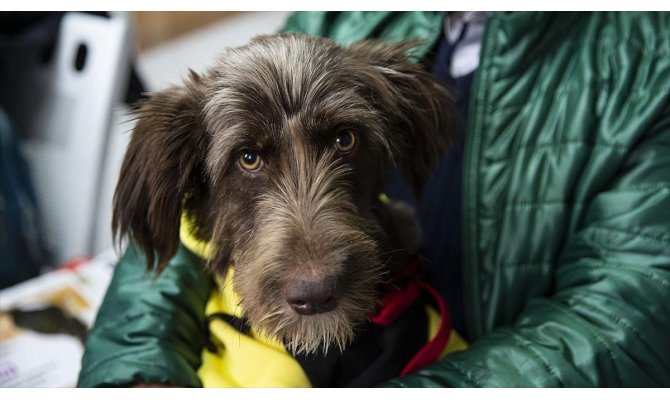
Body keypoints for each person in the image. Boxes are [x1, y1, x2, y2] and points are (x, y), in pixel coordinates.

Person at [78, 12, 670, 387]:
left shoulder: (646, 63)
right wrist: (134, 378)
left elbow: (631, 317)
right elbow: (168, 238)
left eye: (342, 138)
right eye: (250, 159)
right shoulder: (344, 16)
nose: (312, 266)